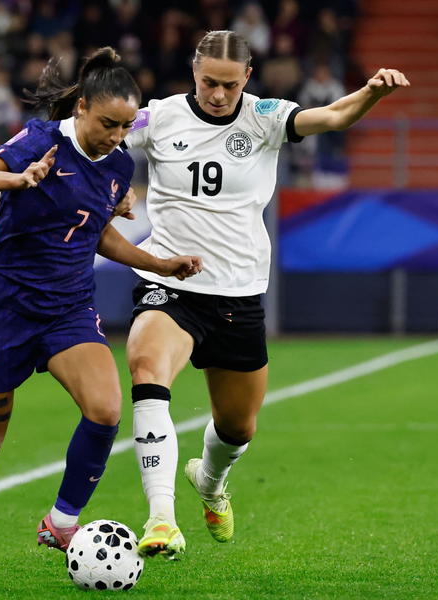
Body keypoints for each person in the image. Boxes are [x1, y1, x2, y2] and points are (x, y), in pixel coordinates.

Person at [120, 30, 409, 557]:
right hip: (171, 284)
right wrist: (115, 185)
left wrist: (371, 93)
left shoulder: (265, 116)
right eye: (208, 82)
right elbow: (100, 134)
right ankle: (161, 518)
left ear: (247, 78)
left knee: (237, 426)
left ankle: (209, 482)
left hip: (237, 293)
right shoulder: (158, 117)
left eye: (229, 84)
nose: (217, 95)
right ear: (194, 72)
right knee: (146, 365)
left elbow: (333, 117)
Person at [0, 47, 202, 586]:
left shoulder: (120, 165)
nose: (116, 135)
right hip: (4, 307)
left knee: (107, 409)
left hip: (67, 308)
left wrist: (160, 264)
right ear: (81, 108)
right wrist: (17, 180)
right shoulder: (41, 141)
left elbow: (95, 232)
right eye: (108, 123)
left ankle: (61, 523)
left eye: (127, 126)